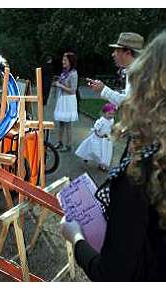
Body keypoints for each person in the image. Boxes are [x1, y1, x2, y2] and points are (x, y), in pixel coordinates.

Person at [60, 31, 166, 281]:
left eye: (117, 49)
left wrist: (75, 237)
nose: (113, 53)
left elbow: (112, 275)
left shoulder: (140, 175)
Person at [87, 32, 144, 107]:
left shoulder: (139, 73)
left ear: (128, 53)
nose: (113, 54)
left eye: (117, 51)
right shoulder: (135, 70)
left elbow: (129, 103)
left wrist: (103, 89)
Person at [75, 102, 116, 171]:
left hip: (105, 140)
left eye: (112, 114)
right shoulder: (101, 121)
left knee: (104, 152)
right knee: (93, 150)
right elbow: (96, 129)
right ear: (104, 113)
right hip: (98, 138)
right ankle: (86, 156)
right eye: (109, 114)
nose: (111, 116)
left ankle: (102, 165)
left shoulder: (111, 120)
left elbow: (111, 127)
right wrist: (99, 135)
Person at [53, 52, 79, 152]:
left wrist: (60, 85)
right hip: (62, 99)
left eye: (65, 60)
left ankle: (68, 145)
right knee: (61, 123)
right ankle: (59, 142)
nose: (63, 62)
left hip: (69, 100)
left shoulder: (73, 74)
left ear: (70, 61)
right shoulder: (64, 73)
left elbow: (73, 90)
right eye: (63, 60)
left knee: (68, 124)